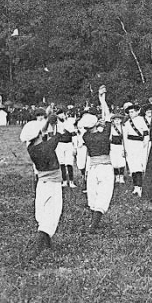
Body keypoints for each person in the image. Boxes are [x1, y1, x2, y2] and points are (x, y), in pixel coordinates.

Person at [21, 113, 72, 258]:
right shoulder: (47, 146)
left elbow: (42, 132)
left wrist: (47, 123)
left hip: (42, 183)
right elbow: (62, 134)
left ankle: (48, 244)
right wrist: (56, 123)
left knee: (43, 214)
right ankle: (35, 252)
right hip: (53, 184)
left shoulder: (31, 147)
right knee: (52, 216)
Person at [81, 85, 115, 232]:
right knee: (104, 194)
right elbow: (107, 116)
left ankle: (92, 222)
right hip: (106, 167)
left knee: (93, 194)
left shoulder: (86, 136)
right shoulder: (104, 135)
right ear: (96, 123)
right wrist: (103, 99)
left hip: (93, 167)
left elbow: (103, 119)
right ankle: (94, 225)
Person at [122, 102, 149, 197]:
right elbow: (125, 137)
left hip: (140, 145)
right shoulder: (126, 123)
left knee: (139, 166)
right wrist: (125, 148)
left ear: (138, 112)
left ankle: (140, 186)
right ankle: (135, 187)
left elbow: (146, 133)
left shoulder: (142, 120)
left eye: (133, 112)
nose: (131, 114)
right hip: (130, 145)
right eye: (129, 112)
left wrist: (145, 142)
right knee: (133, 166)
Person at [109, 113, 127, 185]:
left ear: (121, 120)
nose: (116, 121)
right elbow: (109, 137)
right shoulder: (111, 127)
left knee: (121, 161)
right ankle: (116, 176)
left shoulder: (123, 127)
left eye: (118, 119)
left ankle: (121, 176)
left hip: (121, 146)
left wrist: (124, 148)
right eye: (115, 120)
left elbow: (124, 138)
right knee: (114, 161)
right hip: (113, 146)